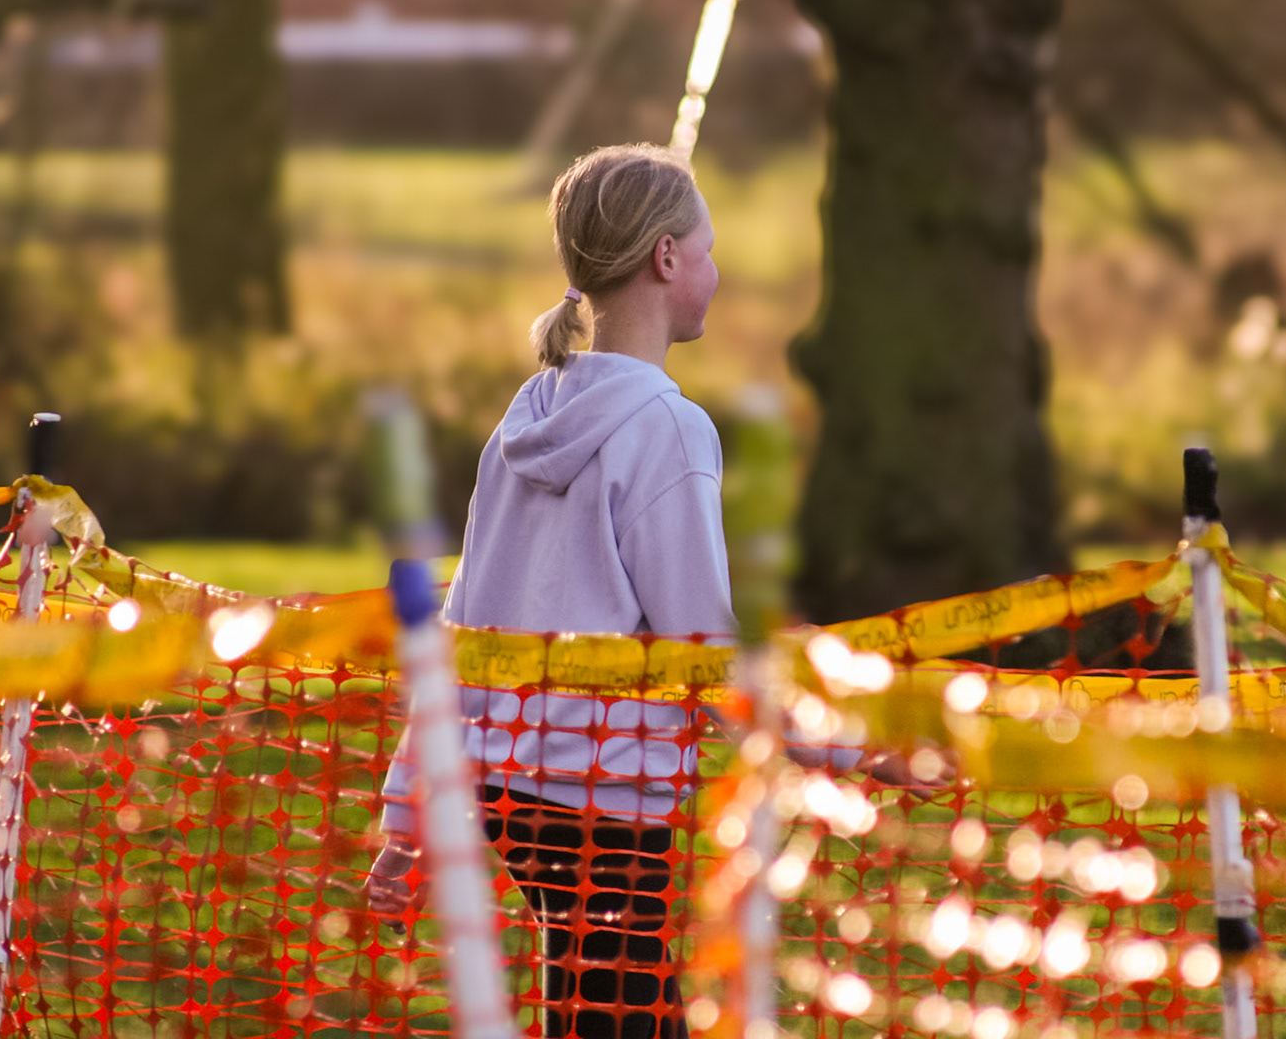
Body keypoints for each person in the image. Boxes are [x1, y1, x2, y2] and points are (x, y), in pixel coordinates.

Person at [364, 144, 927, 1039]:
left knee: (604, 1013)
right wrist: (859, 752)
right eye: (706, 249)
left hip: (512, 797)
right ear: (667, 259)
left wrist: (407, 815)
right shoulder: (670, 428)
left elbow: (462, 629)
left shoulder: (525, 412)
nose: (718, 270)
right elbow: (706, 655)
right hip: (608, 810)